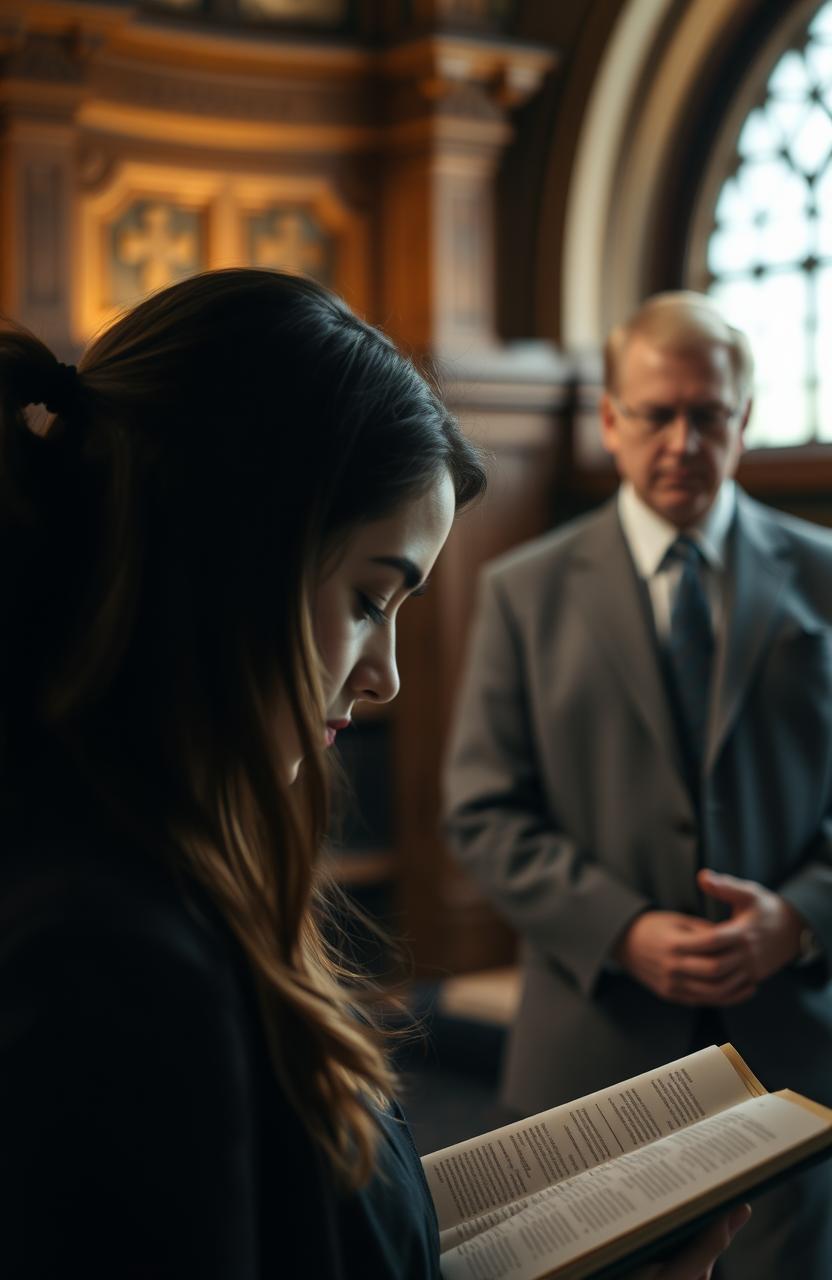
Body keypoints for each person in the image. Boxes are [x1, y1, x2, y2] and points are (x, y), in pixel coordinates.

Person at [0, 270, 747, 1279]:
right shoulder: (105, 966)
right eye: (367, 597)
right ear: (237, 557)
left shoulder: (160, 854)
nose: (386, 673)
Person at [443, 291, 832, 1280]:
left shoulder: (825, 577)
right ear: (609, 420)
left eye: (708, 414)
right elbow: (481, 807)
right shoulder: (521, 589)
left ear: (744, 420)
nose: (682, 440)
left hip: (791, 1048)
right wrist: (620, 926)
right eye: (656, 413)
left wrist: (798, 913)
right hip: (591, 1050)